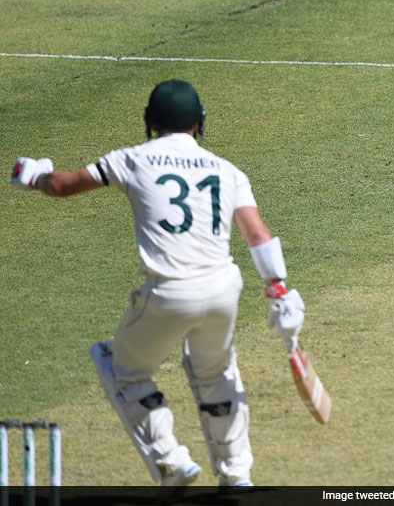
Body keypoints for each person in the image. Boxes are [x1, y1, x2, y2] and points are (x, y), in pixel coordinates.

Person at [10, 79, 306, 501]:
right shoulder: (226, 169)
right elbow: (256, 233)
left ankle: (172, 460)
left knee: (119, 366)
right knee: (217, 375)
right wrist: (278, 289)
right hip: (223, 289)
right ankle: (237, 474)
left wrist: (32, 174)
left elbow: (62, 185)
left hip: (169, 292)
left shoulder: (131, 159)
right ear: (199, 123)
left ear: (149, 122)